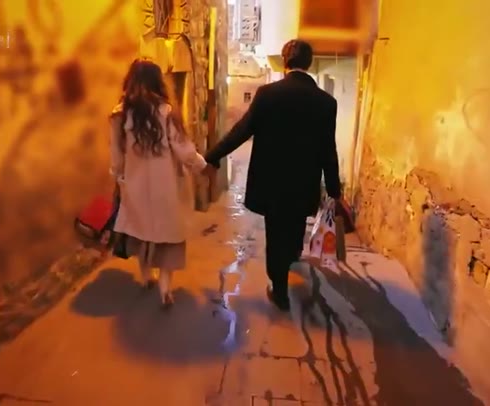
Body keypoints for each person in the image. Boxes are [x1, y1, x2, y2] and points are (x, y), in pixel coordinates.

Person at [203, 39, 342, 311]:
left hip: (272, 183)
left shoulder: (268, 94)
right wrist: (335, 190)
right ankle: (290, 258)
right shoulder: (327, 103)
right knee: (295, 226)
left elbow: (241, 131)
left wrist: (212, 155)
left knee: (276, 233)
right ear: (309, 63)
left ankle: (280, 290)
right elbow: (329, 149)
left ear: (285, 61)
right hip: (304, 184)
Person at [109, 58, 208, 309]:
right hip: (167, 187)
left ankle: (146, 277)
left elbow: (116, 154)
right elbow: (184, 150)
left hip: (135, 185)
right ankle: (165, 288)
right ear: (158, 81)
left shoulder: (120, 114)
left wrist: (118, 176)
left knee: (141, 231)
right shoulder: (167, 113)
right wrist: (201, 166)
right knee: (167, 236)